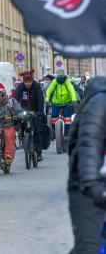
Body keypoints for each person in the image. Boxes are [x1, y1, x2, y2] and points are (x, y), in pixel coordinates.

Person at [67, 76, 106, 254]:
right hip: (90, 183)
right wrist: (91, 184)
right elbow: (89, 143)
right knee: (89, 248)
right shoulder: (100, 102)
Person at [14, 70, 46, 161]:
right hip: (23, 111)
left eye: (29, 82)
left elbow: (41, 99)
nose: (27, 84)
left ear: (32, 81)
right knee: (20, 123)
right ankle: (22, 137)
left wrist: (40, 111)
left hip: (35, 111)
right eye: (26, 82)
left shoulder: (36, 86)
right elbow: (16, 99)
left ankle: (39, 153)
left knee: (37, 131)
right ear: (23, 81)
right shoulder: (20, 87)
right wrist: (15, 110)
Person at [0, 83, 23, 168]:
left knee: (9, 136)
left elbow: (19, 110)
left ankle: (8, 156)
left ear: (5, 94)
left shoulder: (11, 101)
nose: (1, 96)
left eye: (2, 94)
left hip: (9, 124)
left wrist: (18, 116)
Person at [45, 69, 77, 136]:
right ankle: (54, 129)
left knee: (67, 117)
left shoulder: (67, 82)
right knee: (54, 116)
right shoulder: (54, 82)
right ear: (57, 77)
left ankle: (67, 132)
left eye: (61, 76)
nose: (60, 78)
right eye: (59, 76)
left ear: (64, 76)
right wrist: (47, 100)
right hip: (55, 103)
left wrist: (74, 100)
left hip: (66, 102)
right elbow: (49, 91)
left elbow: (72, 91)